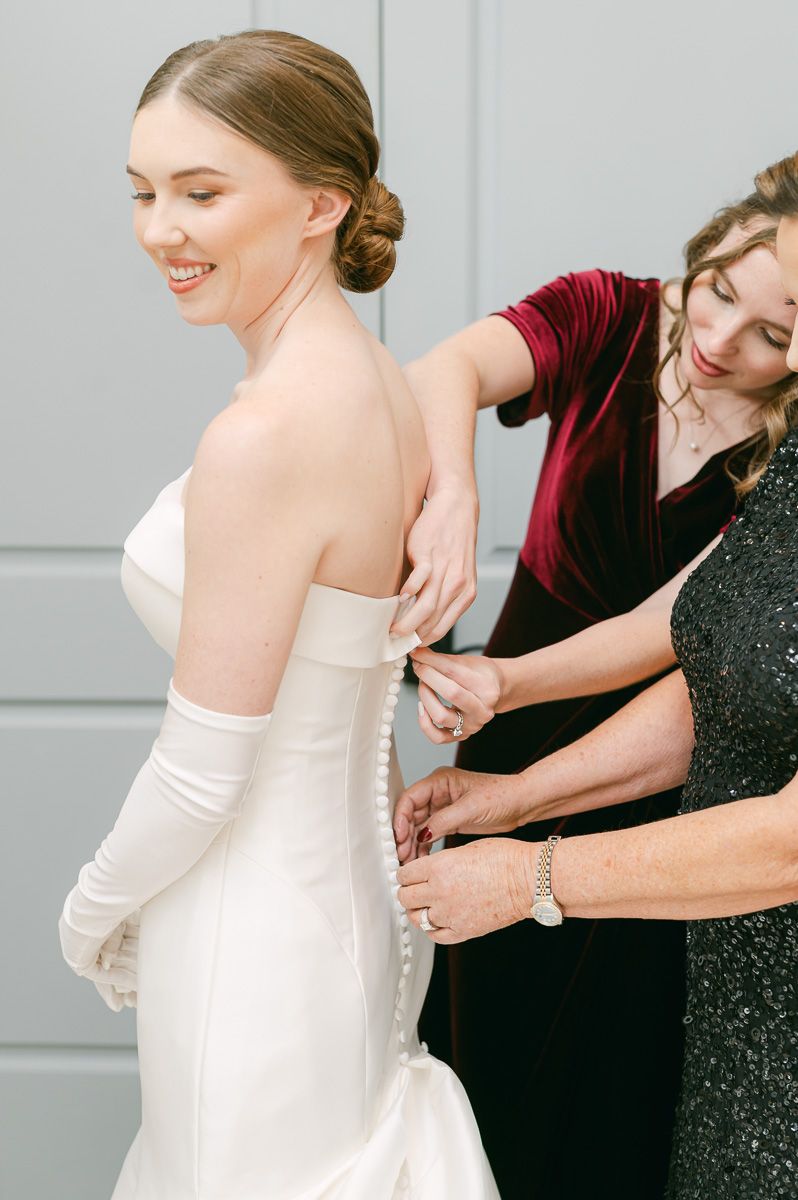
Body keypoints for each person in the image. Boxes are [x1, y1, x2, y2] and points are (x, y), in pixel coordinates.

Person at [57, 31, 498, 1199]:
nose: (161, 230)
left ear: (321, 204)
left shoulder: (263, 438)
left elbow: (206, 769)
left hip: (251, 929)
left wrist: (90, 912)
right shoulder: (387, 391)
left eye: (202, 192)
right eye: (145, 192)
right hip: (357, 907)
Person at [395, 148, 798, 1200]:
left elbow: (688, 628)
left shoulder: (787, 444)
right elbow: (444, 370)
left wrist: (515, 690)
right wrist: (454, 499)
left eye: (776, 335)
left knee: (614, 1101)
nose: (718, 343)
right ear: (713, 239)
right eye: (717, 291)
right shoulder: (606, 317)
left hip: (681, 791)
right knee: (481, 1066)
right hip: (524, 737)